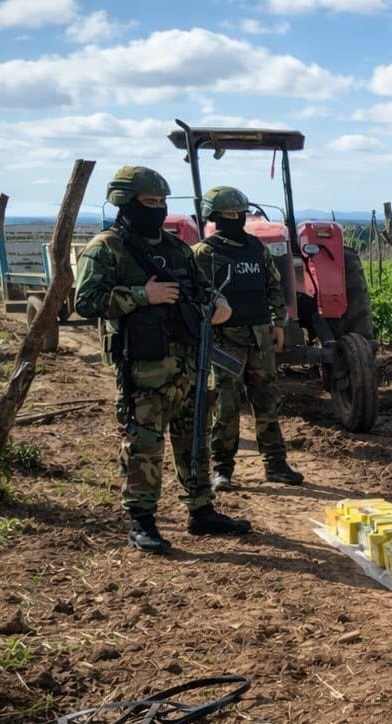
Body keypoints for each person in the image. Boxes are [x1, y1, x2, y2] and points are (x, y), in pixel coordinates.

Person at [74, 165, 251, 554]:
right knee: (144, 444)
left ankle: (201, 510)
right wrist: (141, 295)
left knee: (194, 440)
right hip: (143, 369)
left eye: (161, 202)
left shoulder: (175, 249)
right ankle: (142, 520)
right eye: (148, 202)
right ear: (125, 203)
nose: (157, 209)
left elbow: (200, 289)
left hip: (188, 364)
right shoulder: (106, 248)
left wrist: (217, 303)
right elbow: (85, 302)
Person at [190, 185, 303, 492]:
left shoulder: (256, 247)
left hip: (260, 338)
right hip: (224, 342)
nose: (236, 218)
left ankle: (276, 464)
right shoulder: (205, 253)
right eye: (228, 215)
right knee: (225, 405)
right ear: (215, 216)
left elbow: (274, 287)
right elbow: (193, 296)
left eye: (239, 214)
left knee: (267, 400)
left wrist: (278, 323)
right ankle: (222, 469)